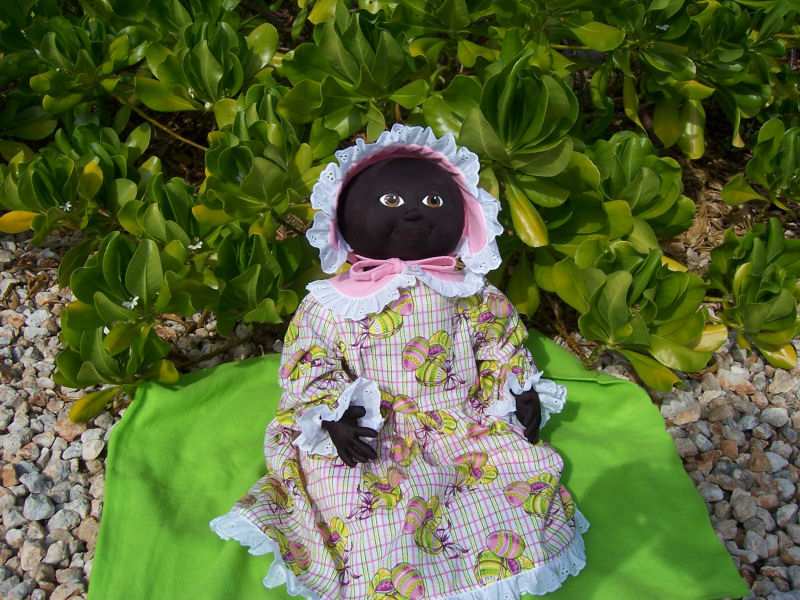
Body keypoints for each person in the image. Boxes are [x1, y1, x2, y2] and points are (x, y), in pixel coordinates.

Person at [211, 124, 588, 600]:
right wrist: (336, 416)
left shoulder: (469, 292)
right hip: (373, 432)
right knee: (367, 512)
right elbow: (311, 362)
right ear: (343, 217)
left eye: (434, 201)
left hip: (461, 418)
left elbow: (499, 343)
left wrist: (515, 391)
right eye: (389, 201)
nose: (414, 210)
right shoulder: (332, 303)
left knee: (503, 485)